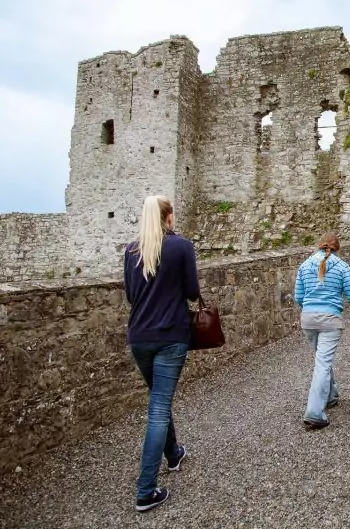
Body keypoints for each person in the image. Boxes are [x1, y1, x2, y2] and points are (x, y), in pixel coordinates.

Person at [123, 195, 200, 513]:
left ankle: (174, 453)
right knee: (158, 408)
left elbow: (130, 294)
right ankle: (145, 490)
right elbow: (193, 291)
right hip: (170, 335)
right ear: (168, 217)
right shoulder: (180, 246)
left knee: (158, 398)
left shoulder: (131, 250)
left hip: (139, 336)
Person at [294, 232, 350, 430]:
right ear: (337, 248)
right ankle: (314, 412)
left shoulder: (304, 265)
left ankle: (331, 395)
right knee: (323, 364)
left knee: (321, 360)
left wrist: (311, 308)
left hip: (308, 319)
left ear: (319, 245)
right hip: (330, 320)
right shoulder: (342, 267)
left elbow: (298, 297)